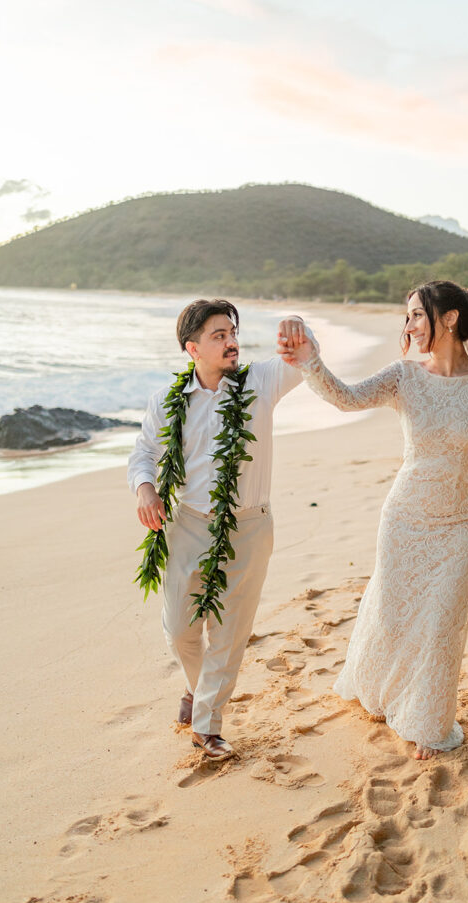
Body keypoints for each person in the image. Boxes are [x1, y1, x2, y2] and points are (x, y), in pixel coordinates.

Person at [277, 281, 468, 760]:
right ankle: (388, 695)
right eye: (408, 317)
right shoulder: (404, 377)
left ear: (450, 318)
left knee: (441, 626)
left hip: (465, 525)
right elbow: (347, 397)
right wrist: (311, 358)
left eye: (418, 315)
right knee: (393, 615)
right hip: (405, 519)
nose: (410, 326)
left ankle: (425, 721)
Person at [128, 299, 302, 761]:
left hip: (249, 526)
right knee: (180, 629)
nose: (231, 342)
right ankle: (196, 689)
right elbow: (143, 452)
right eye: (218, 335)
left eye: (232, 332)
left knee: (227, 632)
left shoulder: (260, 382)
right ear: (192, 349)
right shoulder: (168, 401)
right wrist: (146, 490)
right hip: (187, 523)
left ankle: (207, 726)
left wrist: (297, 327)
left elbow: (303, 359)